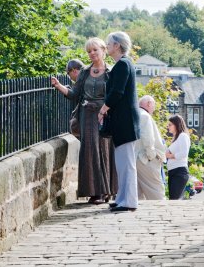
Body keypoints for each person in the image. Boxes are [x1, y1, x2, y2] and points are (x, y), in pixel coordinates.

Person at [51, 38, 117, 205]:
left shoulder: (111, 72)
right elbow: (74, 94)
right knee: (89, 152)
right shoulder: (85, 73)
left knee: (104, 151)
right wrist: (59, 86)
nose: (92, 53)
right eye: (89, 51)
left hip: (105, 116)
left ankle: (105, 191)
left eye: (95, 50)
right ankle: (94, 192)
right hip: (87, 117)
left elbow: (116, 95)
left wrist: (105, 109)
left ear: (103, 50)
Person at [98, 31, 141, 212]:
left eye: (109, 43)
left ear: (117, 45)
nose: (107, 46)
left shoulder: (123, 64)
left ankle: (129, 201)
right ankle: (123, 198)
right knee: (122, 163)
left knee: (126, 163)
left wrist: (104, 108)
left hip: (125, 121)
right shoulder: (124, 64)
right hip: (123, 121)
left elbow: (117, 92)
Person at [135, 95, 166, 200]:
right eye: (154, 105)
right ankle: (164, 215)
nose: (154, 108)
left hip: (137, 159)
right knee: (157, 193)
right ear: (148, 103)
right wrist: (151, 156)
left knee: (138, 196)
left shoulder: (135, 114)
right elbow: (148, 138)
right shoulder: (145, 115)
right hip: (146, 159)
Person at [165, 115, 191, 200]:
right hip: (172, 171)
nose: (168, 127)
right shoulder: (175, 139)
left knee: (174, 200)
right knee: (173, 199)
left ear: (177, 124)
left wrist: (169, 156)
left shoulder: (183, 136)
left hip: (179, 172)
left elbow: (184, 153)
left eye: (170, 124)